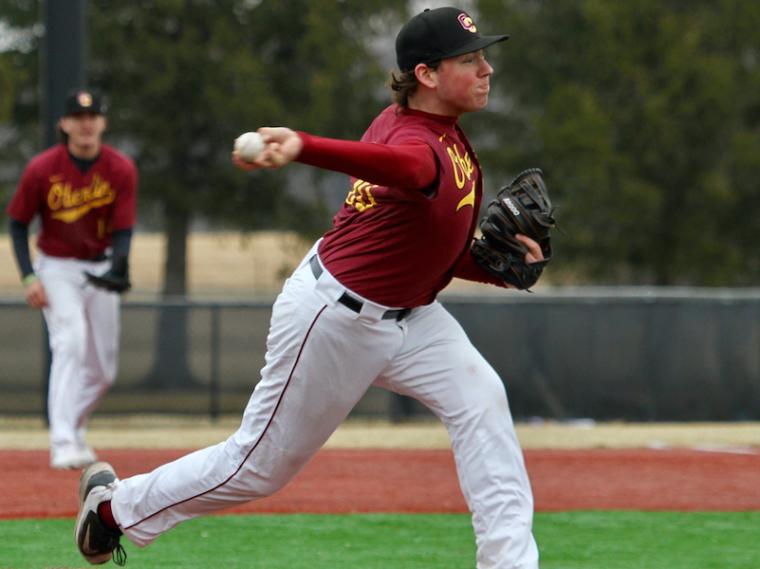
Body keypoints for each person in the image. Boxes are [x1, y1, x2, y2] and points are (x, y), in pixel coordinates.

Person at [75, 8, 542, 568]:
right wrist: (301, 144)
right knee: (257, 467)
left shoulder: (431, 132)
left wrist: (493, 268)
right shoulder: (419, 148)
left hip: (412, 316)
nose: (487, 69)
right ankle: (113, 509)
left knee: (481, 402)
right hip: (337, 318)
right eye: (470, 60)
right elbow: (401, 166)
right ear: (427, 74)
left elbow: (424, 240)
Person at [6, 88, 138, 470]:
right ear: (64, 124)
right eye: (78, 118)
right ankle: (62, 440)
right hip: (57, 267)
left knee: (103, 370)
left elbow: (124, 228)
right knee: (71, 342)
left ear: (102, 123)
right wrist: (29, 276)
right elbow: (16, 224)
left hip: (98, 267)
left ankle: (74, 426)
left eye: (92, 116)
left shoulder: (120, 169)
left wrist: (120, 265)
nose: (85, 124)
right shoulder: (42, 168)